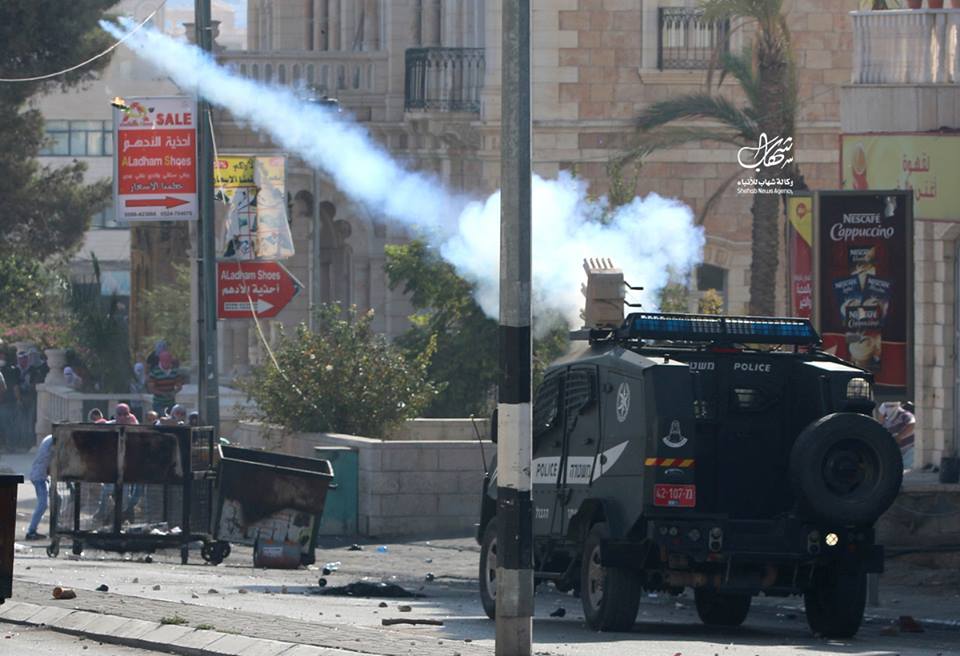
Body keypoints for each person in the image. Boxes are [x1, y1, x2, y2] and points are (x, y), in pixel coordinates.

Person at [26, 433, 54, 540]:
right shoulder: (52, 441)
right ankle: (31, 531)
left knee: (58, 499)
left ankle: (57, 526)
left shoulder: (49, 438)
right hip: (39, 477)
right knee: (43, 504)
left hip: (40, 475)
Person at [879, 401, 916, 469]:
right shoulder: (886, 422)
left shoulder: (905, 415)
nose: (881, 417)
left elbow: (912, 424)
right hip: (899, 453)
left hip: (910, 450)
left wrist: (900, 436)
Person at [147, 350, 184, 414]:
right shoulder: (154, 372)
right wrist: (162, 393)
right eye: (165, 360)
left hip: (171, 403)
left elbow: (179, 386)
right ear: (160, 361)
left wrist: (174, 392)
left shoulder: (175, 371)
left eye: (168, 360)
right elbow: (151, 388)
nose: (167, 362)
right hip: (158, 403)